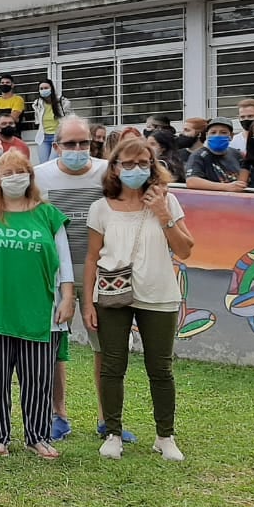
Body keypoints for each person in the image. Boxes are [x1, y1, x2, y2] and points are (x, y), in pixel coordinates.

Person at [0, 152, 74, 458]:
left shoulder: (48, 215)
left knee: (38, 379)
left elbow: (64, 261)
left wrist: (68, 297)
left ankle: (37, 435)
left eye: (21, 171)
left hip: (40, 311)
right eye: (8, 172)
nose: (15, 177)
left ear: (31, 177)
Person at [84, 138, 195, 461]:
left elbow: (186, 249)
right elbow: (92, 257)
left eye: (142, 163)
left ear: (152, 165)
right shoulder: (101, 207)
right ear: (115, 168)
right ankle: (113, 432)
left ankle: (165, 436)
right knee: (112, 366)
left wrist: (162, 213)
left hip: (159, 294)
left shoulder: (167, 201)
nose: (135, 170)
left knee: (160, 368)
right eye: (127, 164)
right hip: (113, 296)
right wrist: (89, 304)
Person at [185, 117, 245, 191]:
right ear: (207, 135)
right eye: (213, 132)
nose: (217, 135)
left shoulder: (236, 154)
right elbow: (191, 181)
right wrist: (226, 187)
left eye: (223, 132)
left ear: (231, 136)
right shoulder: (198, 156)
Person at [32, 79, 67, 162]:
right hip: (43, 137)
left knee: (53, 162)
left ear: (51, 88)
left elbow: (68, 119)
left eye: (46, 88)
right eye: (41, 89)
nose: (44, 90)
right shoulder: (37, 104)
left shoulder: (62, 102)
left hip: (57, 137)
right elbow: (37, 121)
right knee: (43, 164)